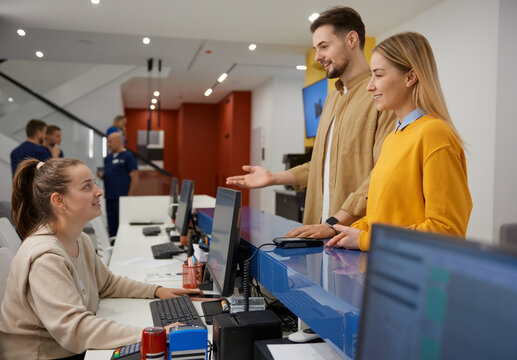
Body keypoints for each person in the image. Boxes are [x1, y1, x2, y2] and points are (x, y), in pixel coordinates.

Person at [0, 158, 201, 359]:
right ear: (59, 201)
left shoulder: (80, 239)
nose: (99, 191)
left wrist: (157, 291)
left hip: (70, 348)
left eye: (94, 182)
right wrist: (151, 333)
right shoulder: (45, 259)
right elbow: (76, 330)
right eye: (87, 186)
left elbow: (107, 284)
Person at [226, 7, 396, 238]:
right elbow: (319, 165)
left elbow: (381, 175)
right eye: (316, 49)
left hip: (353, 236)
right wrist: (273, 177)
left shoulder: (380, 96)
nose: (317, 57)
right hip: (318, 231)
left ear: (352, 39)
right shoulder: (333, 97)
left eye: (324, 46)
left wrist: (335, 222)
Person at [326, 32, 473, 250]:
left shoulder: (435, 134)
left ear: (410, 77)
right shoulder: (393, 138)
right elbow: (383, 217)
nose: (370, 86)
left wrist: (367, 239)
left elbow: (447, 231)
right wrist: (347, 230)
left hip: (418, 278)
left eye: (378, 75)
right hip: (384, 271)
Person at [98, 132, 139, 237]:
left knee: (123, 227)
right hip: (110, 197)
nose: (108, 144)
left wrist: (129, 197)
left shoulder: (128, 156)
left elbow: (135, 178)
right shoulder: (108, 158)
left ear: (119, 141)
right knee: (112, 227)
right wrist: (101, 175)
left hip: (122, 199)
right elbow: (108, 175)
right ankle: (112, 249)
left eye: (110, 142)